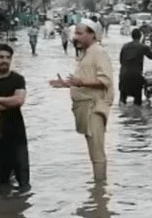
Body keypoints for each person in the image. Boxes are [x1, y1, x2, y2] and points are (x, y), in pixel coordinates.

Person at [49, 19, 114, 183]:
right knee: (92, 150)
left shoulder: (98, 52)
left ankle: (100, 192)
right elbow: (84, 79)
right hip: (84, 107)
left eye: (80, 33)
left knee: (97, 151)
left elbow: (105, 81)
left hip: (94, 107)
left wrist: (80, 83)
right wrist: (66, 84)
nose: (75, 37)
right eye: (75, 33)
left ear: (92, 35)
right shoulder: (86, 53)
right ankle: (98, 189)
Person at [0, 43, 30, 189]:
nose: (4, 60)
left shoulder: (17, 79)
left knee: (23, 177)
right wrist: (7, 101)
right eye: (1, 57)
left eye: (8, 57)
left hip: (16, 131)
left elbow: (19, 100)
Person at [119, 28, 152, 106]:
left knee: (122, 99)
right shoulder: (143, 47)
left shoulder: (125, 46)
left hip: (123, 75)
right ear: (140, 36)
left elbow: (121, 60)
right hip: (136, 76)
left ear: (132, 36)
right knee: (137, 101)